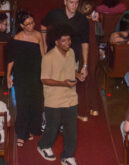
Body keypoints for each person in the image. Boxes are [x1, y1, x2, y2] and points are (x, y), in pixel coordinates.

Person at [36, 27, 84, 165]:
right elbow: (44, 79)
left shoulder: (72, 52)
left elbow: (71, 69)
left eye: (69, 39)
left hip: (70, 97)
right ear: (56, 42)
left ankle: (67, 155)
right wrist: (64, 83)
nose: (67, 43)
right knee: (53, 126)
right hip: (54, 98)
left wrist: (78, 75)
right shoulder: (48, 57)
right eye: (63, 41)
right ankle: (43, 145)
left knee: (71, 128)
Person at [7, 9, 45, 148]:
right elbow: (11, 59)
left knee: (36, 102)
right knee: (23, 104)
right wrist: (8, 76)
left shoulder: (38, 35)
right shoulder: (15, 39)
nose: (31, 26)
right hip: (21, 74)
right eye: (27, 24)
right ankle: (22, 133)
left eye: (32, 22)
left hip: (36, 73)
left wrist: (45, 73)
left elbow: (43, 54)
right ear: (22, 26)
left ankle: (32, 129)